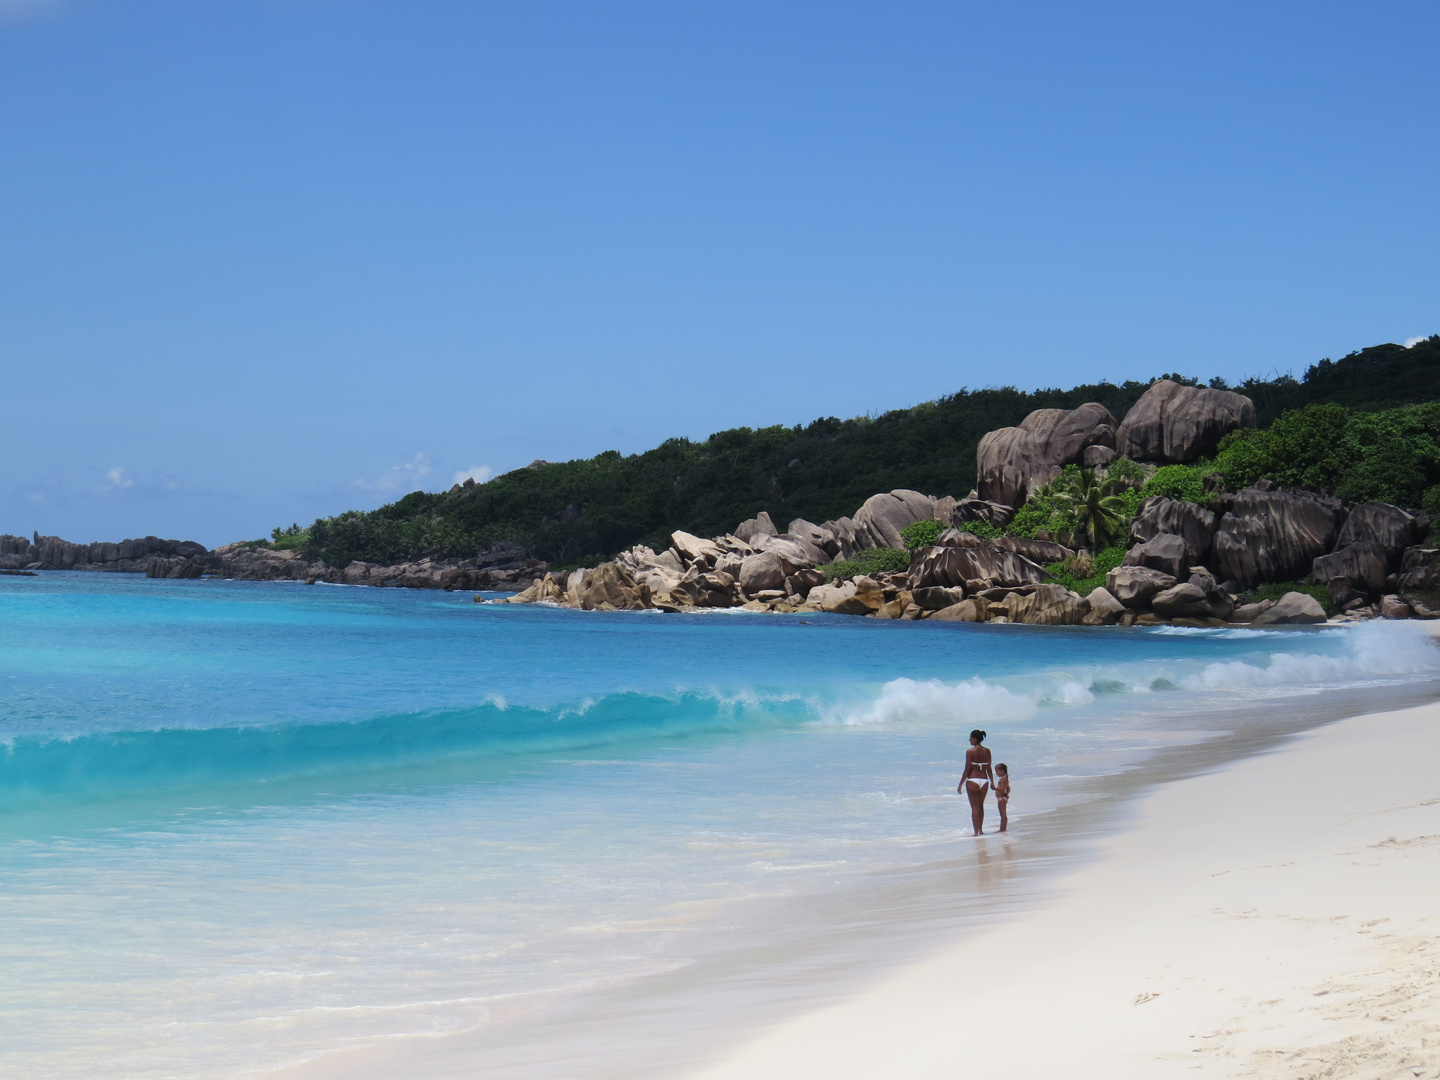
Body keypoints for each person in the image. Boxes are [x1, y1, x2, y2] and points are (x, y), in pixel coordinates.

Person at [957, 729, 994, 836]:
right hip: (984, 780)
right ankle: (981, 830)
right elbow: (989, 768)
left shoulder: (970, 752)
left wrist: (960, 784)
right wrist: (992, 782)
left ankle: (976, 832)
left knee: (974, 807)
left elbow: (967, 769)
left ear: (975, 739)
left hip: (973, 780)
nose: (969, 740)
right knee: (981, 805)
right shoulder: (987, 751)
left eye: (970, 738)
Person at [993, 763, 1010, 833]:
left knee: (1002, 815)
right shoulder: (1005, 778)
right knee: (1003, 815)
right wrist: (1006, 794)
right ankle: (1003, 828)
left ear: (1002, 770)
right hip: (1003, 798)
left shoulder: (1002, 779)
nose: (996, 774)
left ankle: (1002, 829)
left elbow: (1002, 788)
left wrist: (995, 788)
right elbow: (1008, 788)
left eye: (997, 771)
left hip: (1001, 799)